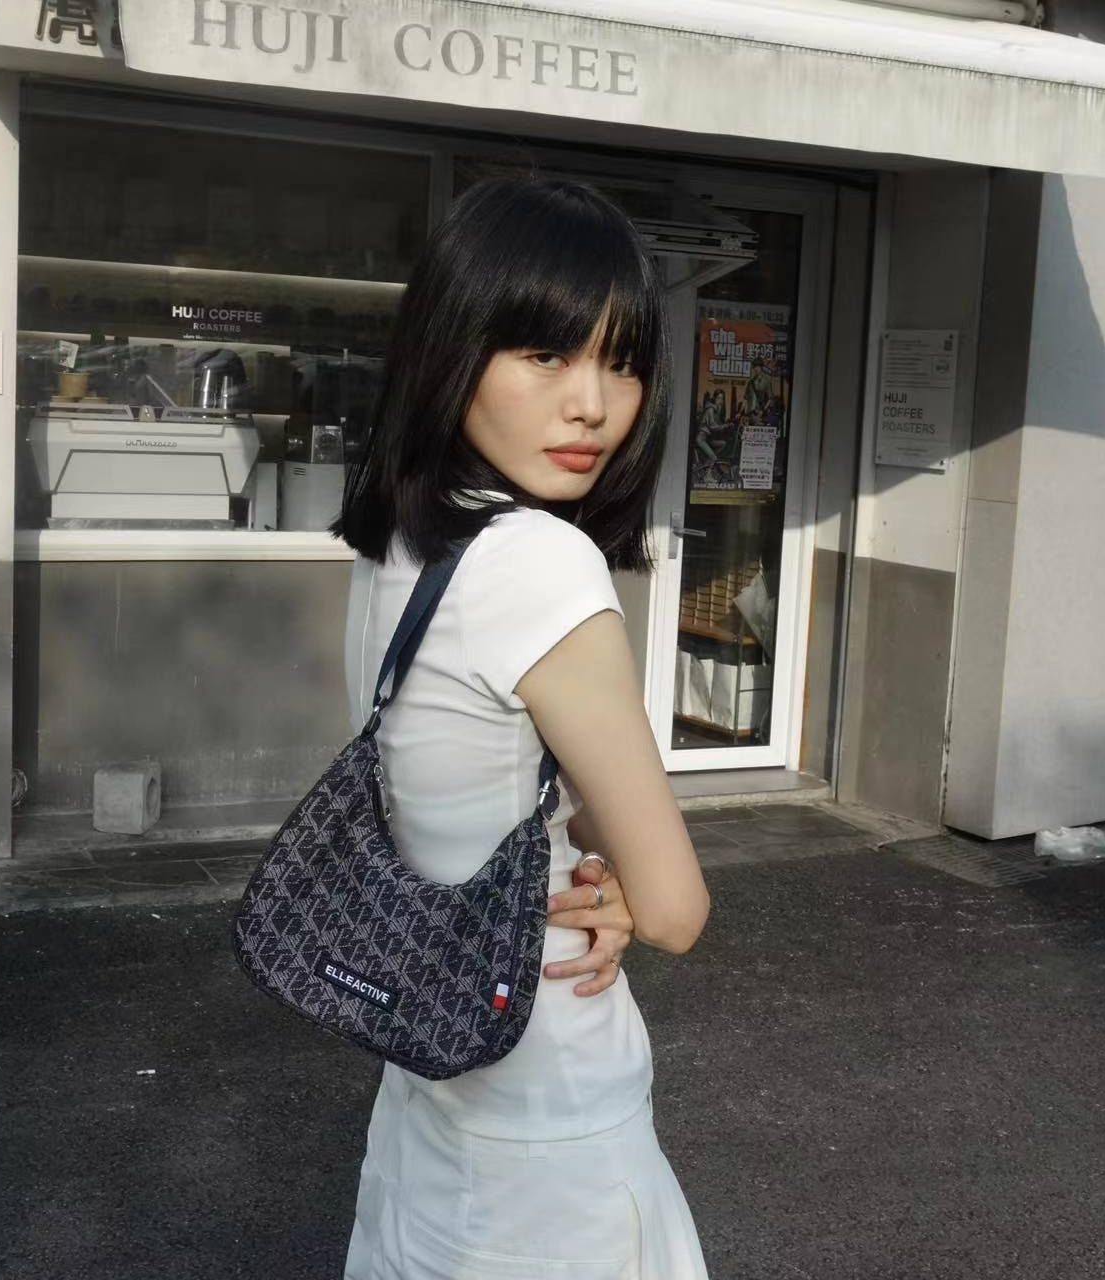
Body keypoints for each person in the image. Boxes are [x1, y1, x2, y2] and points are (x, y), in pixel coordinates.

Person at [333, 176, 712, 1279]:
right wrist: (626, 887)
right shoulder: (543, 563)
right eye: (545, 354)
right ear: (452, 346)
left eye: (621, 361)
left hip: (430, 1059)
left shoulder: (400, 548)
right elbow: (677, 908)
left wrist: (597, 859)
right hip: (547, 1089)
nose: (592, 403)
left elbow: (468, 788)